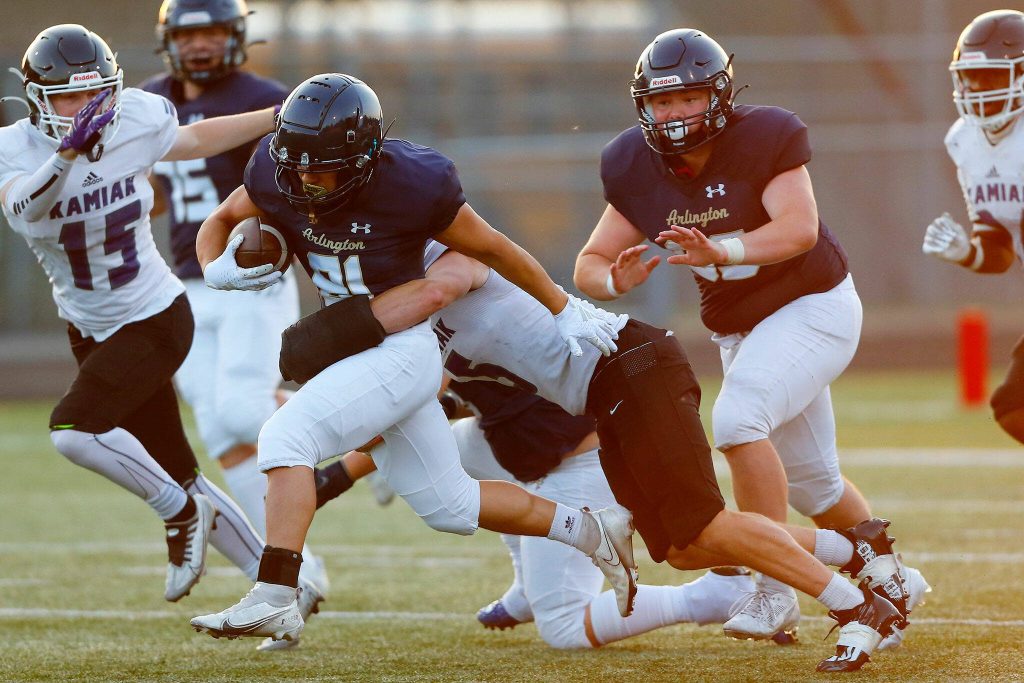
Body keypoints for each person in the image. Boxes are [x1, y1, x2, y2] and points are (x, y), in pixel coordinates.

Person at [310, 239, 914, 673]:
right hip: (599, 400)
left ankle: (857, 603)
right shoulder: (417, 316)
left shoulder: (448, 269)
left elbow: (409, 391)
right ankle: (851, 546)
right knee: (681, 549)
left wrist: (325, 440)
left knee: (693, 535)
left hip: (629, 373)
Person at [188, 73, 634, 646]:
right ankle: (592, 530)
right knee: (450, 505)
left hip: (401, 351)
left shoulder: (414, 184)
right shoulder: (277, 171)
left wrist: (563, 307)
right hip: (357, 351)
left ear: (365, 157)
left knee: (283, 439)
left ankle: (276, 594)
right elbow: (221, 220)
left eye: (321, 168)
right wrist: (215, 268)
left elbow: (492, 248)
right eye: (297, 165)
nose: (306, 180)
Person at [571, 28, 927, 646]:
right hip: (741, 327)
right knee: (815, 484)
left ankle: (772, 590)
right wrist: (611, 279)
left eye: (688, 97)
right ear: (644, 106)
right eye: (662, 101)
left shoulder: (766, 134)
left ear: (719, 95)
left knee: (737, 422)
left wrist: (724, 248)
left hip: (813, 305)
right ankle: (892, 574)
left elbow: (798, 229)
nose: (675, 112)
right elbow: (589, 263)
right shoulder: (632, 161)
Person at [0, 24, 279, 604]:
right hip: (88, 326)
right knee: (180, 468)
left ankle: (179, 516)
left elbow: (195, 139)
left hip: (156, 314)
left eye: (93, 94)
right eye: (67, 97)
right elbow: (28, 210)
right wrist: (68, 150)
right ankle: (280, 584)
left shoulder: (138, 117)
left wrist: (276, 116)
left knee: (74, 431)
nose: (84, 109)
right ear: (35, 99)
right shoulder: (14, 150)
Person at [138, 1, 328, 649]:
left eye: (213, 31)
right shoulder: (149, 101)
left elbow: (295, 189)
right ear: (170, 40)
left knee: (244, 405)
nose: (201, 45)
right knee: (220, 424)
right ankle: (296, 574)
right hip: (183, 280)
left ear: (237, 35)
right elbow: (153, 192)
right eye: (189, 34)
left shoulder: (264, 100)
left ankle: (357, 420)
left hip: (250, 276)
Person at [317, 378, 761, 650]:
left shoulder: (446, 308)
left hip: (582, 456)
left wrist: (332, 471)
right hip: (564, 435)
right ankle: (529, 587)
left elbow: (406, 410)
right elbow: (456, 401)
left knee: (564, 629)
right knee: (452, 446)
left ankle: (706, 598)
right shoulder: (476, 299)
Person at [924, 9, 1024, 443]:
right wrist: (967, 251)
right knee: (1013, 408)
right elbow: (999, 247)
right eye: (972, 76)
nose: (977, 89)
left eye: (991, 76)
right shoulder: (964, 139)